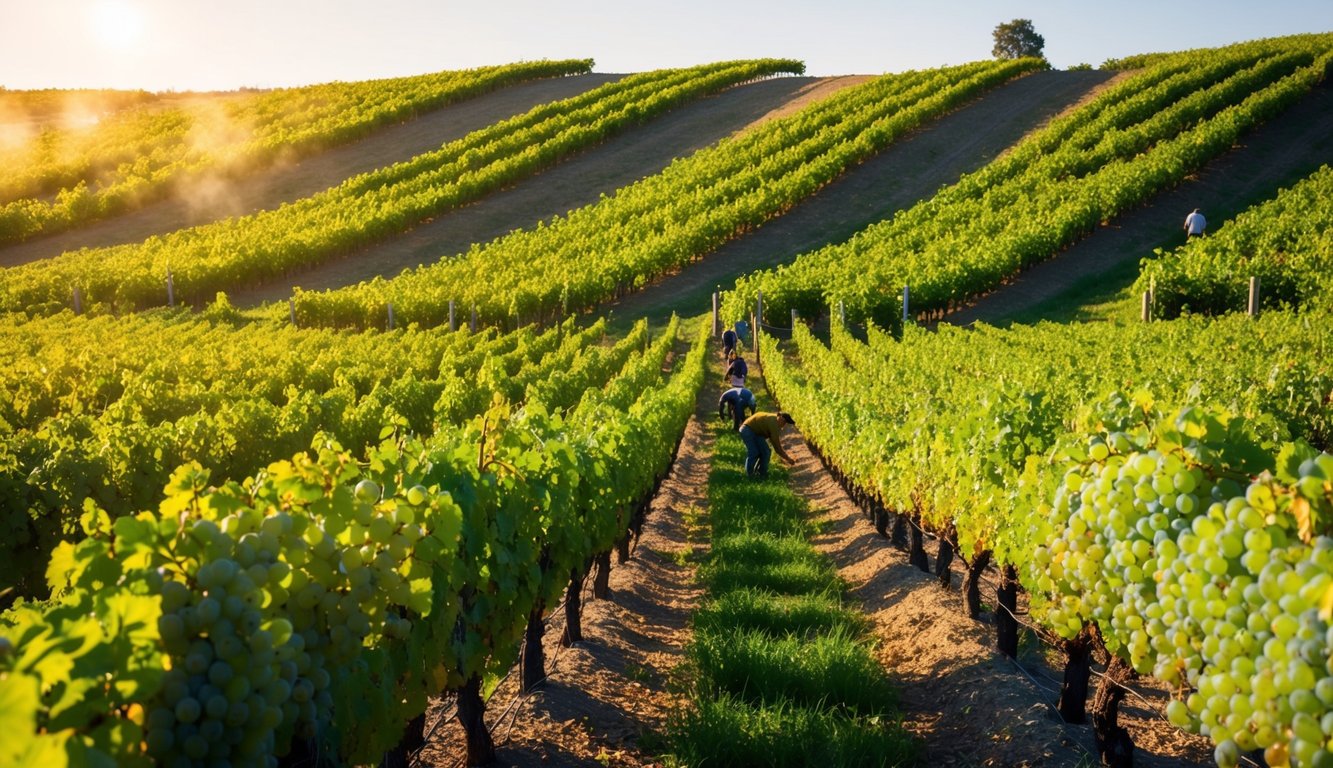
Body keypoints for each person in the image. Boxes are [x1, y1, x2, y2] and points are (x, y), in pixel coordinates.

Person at [739, 411, 797, 478]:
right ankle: (749, 476)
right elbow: (777, 447)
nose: (784, 425)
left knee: (766, 452)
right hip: (747, 429)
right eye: (784, 422)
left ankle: (761, 474)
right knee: (754, 452)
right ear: (780, 418)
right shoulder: (774, 424)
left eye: (785, 423)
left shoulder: (774, 419)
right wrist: (788, 459)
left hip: (757, 432)